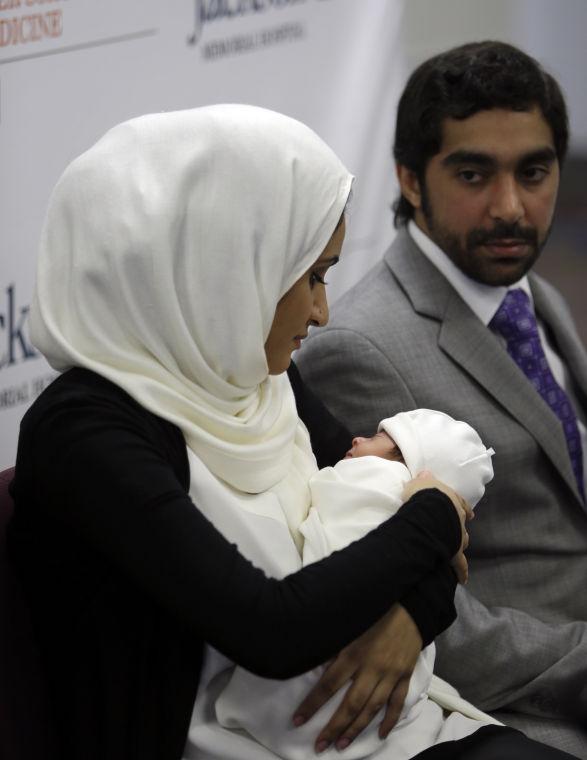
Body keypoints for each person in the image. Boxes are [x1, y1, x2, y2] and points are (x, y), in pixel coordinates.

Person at [7, 104, 575, 760]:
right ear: (218, 268)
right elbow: (273, 627)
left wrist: (412, 614)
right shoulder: (83, 435)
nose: (320, 310)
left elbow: (380, 508)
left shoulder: (252, 378)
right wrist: (439, 511)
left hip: (359, 733)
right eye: (307, 277)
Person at [296, 40, 587, 758]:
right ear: (410, 179)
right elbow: (406, 614)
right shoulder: (357, 348)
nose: (510, 208)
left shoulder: (530, 292)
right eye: (472, 174)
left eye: (533, 172)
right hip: (532, 703)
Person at [213, 409, 497, 760]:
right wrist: (437, 520)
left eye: (378, 439)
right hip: (357, 692)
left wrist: (415, 607)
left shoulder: (372, 476)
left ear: (410, 463)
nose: (356, 440)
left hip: (296, 691)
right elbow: (416, 539)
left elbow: (396, 538)